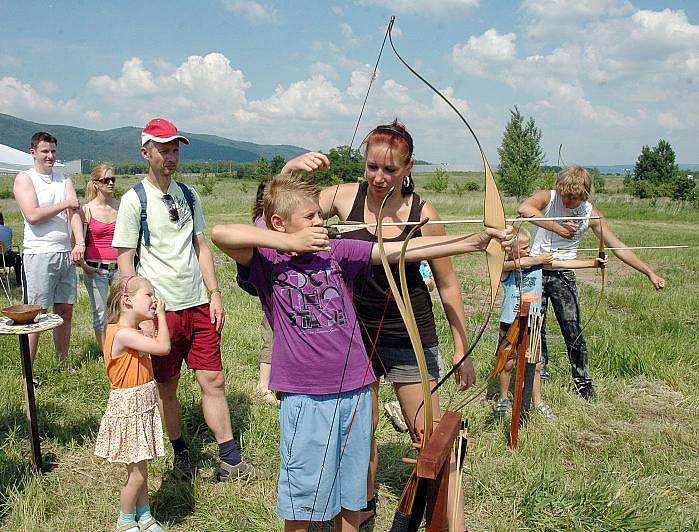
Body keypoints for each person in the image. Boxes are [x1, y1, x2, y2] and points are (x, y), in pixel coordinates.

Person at [210, 173, 512, 532]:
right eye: (311, 217)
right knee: (303, 502)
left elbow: (405, 250)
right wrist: (289, 240)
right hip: (305, 397)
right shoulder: (268, 261)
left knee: (352, 497)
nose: (320, 222)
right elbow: (220, 233)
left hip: (354, 387)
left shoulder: (338, 252)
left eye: (319, 216)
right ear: (279, 223)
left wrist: (474, 241)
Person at [285, 120, 475, 528]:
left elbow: (447, 284)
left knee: (427, 437)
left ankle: (435, 517)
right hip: (353, 335)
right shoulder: (341, 197)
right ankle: (362, 514)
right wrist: (291, 171)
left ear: (408, 168)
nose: (378, 177)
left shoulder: (423, 213)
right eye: (372, 166)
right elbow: (283, 215)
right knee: (360, 437)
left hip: (409, 333)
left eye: (390, 170)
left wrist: (462, 348)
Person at [113, 118, 261, 482]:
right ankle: (181, 454)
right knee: (167, 388)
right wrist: (139, 312)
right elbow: (125, 261)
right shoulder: (134, 200)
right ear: (145, 152)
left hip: (197, 305)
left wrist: (215, 293)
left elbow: (200, 246)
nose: (171, 156)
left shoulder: (189, 195)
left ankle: (231, 459)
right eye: (164, 150)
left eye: (176, 149)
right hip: (161, 312)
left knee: (214, 381)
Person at [519, 165, 666, 400]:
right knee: (536, 328)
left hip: (563, 274)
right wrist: (557, 227)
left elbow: (618, 247)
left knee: (573, 329)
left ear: (584, 194)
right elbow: (524, 209)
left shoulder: (590, 213)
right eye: (564, 194)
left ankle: (583, 383)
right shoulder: (549, 197)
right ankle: (539, 375)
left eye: (572, 197)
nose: (566, 201)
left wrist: (650, 272)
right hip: (535, 270)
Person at [495, 227, 605, 420]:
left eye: (529, 246)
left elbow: (565, 263)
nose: (529, 250)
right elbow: (505, 266)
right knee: (507, 362)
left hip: (533, 321)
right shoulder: (505, 268)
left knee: (535, 363)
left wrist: (593, 263)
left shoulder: (539, 265)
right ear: (510, 251)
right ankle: (503, 399)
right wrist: (536, 259)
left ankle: (538, 401)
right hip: (510, 323)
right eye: (523, 248)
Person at [94, 275, 170, 532]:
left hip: (140, 406)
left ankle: (145, 515)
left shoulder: (130, 331)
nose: (154, 299)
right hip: (129, 409)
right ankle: (125, 519)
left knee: (142, 468)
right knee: (136, 474)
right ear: (127, 300)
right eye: (148, 295)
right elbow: (163, 347)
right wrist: (161, 316)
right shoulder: (123, 334)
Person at [13, 132, 84, 366]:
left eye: (53, 151)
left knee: (65, 311)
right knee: (35, 313)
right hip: (39, 253)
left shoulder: (64, 179)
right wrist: (64, 203)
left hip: (64, 252)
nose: (50, 156)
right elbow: (33, 215)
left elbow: (74, 213)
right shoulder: (25, 179)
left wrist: (79, 242)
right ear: (33, 152)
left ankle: (63, 363)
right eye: (45, 151)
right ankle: (29, 369)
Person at [80, 164, 120, 352]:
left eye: (113, 179)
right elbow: (76, 242)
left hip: (119, 267)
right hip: (95, 268)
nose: (111, 183)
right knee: (100, 313)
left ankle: (120, 348)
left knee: (120, 311)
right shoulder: (86, 210)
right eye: (106, 180)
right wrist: (84, 265)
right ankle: (106, 354)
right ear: (96, 184)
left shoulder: (120, 207)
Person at [0, 211, 22, 286]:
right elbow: (9, 245)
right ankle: (19, 282)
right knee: (17, 257)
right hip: (7, 260)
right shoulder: (8, 230)